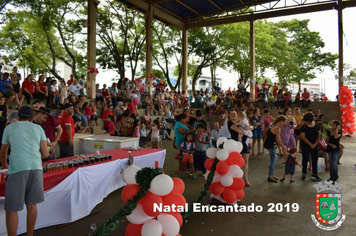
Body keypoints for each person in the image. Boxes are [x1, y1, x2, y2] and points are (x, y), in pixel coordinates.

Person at [0, 106, 48, 236]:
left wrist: (5, 165)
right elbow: (45, 152)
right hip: (36, 168)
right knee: (32, 205)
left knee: (11, 209)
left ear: (18, 117)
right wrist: (36, 158)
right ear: (32, 119)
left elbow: (3, 152)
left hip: (17, 169)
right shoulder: (38, 128)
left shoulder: (9, 128)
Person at [228, 110, 251, 186]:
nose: (233, 115)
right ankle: (237, 179)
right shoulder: (230, 123)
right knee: (237, 162)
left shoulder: (242, 120)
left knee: (246, 161)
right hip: (236, 144)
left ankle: (245, 179)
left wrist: (249, 127)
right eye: (232, 114)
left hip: (245, 142)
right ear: (229, 115)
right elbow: (240, 132)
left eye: (234, 113)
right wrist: (247, 129)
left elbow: (251, 127)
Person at [264, 115, 288, 182]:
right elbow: (278, 140)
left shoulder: (272, 125)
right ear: (281, 122)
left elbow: (264, 131)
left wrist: (265, 139)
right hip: (272, 146)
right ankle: (270, 176)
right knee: (273, 161)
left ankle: (271, 174)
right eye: (284, 122)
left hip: (269, 145)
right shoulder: (277, 129)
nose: (284, 124)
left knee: (275, 159)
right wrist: (283, 147)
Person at [300, 113, 322, 181]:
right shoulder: (303, 126)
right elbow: (303, 137)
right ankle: (304, 173)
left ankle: (315, 174)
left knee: (315, 158)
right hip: (305, 144)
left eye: (308, 121)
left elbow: (319, 135)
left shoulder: (317, 125)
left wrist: (315, 144)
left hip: (314, 143)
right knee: (305, 158)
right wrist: (310, 144)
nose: (307, 122)